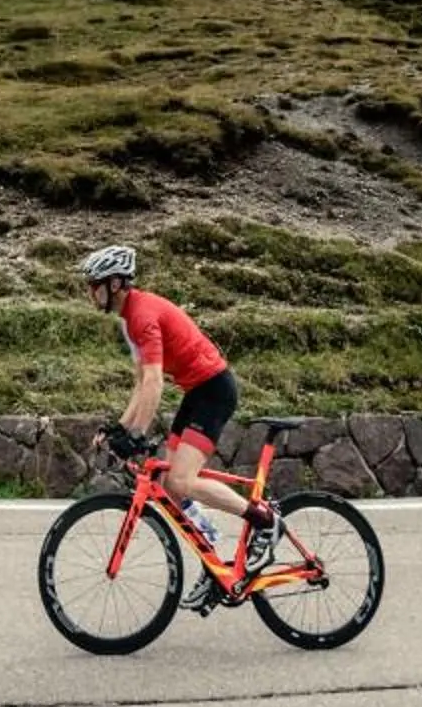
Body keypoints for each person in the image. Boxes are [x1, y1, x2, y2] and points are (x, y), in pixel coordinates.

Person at [82, 244, 277, 572]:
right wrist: (120, 428)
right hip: (197, 391)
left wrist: (137, 433)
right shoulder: (129, 320)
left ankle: (265, 521)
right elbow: (141, 382)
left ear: (114, 284)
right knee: (171, 486)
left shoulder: (142, 316)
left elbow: (155, 382)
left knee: (182, 482)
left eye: (94, 285)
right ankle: (213, 558)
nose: (90, 292)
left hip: (213, 391)